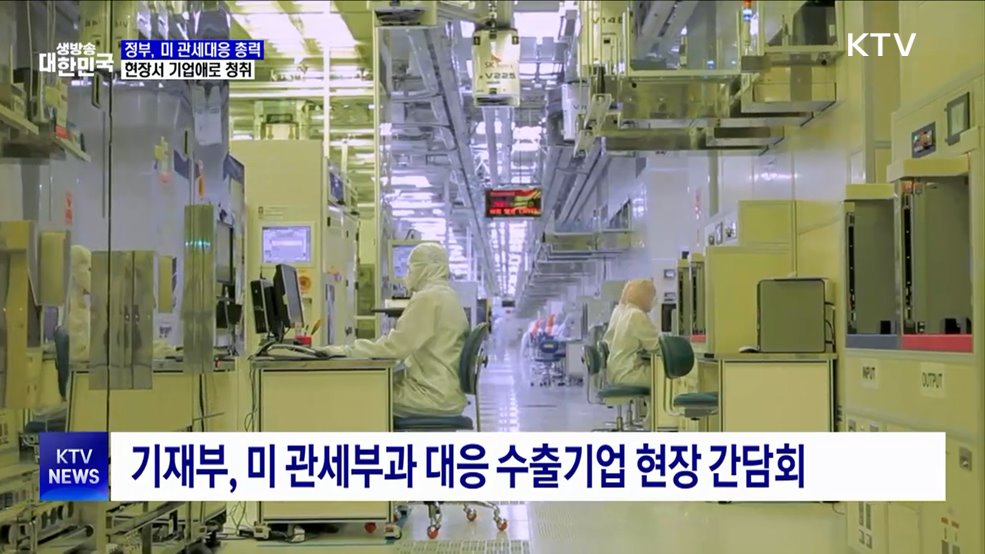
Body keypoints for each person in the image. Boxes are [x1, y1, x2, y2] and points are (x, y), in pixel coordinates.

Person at [319, 243, 469, 417]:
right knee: (374, 388)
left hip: (431, 395)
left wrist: (346, 351)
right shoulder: (448, 296)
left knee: (359, 394)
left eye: (410, 268)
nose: (408, 274)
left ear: (424, 269)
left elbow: (394, 348)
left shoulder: (428, 298)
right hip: (445, 391)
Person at [605, 278, 661, 387]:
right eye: (652, 297)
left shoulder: (621, 312)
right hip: (629, 373)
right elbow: (656, 347)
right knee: (670, 376)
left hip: (615, 372)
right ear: (644, 297)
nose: (653, 301)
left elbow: (609, 340)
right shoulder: (637, 315)